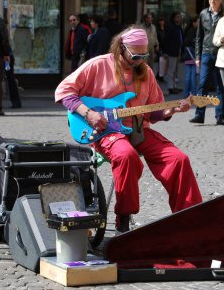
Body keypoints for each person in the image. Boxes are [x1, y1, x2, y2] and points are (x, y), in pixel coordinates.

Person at [55, 26, 203, 233]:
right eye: (135, 56)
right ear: (121, 48)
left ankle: (190, 218)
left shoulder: (146, 73)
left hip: (138, 130)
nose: (139, 61)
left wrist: (172, 110)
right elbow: (64, 92)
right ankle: (123, 218)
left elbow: (153, 112)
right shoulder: (97, 65)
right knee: (126, 156)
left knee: (178, 159)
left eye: (143, 56)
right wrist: (89, 113)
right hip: (105, 131)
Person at [189, 0, 224, 125]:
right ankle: (199, 114)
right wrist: (197, 56)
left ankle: (220, 116)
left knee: (220, 86)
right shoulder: (204, 13)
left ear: (221, 0)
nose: (212, 1)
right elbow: (199, 36)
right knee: (202, 84)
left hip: (221, 54)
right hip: (206, 53)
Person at [162, 11, 184, 94]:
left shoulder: (179, 27)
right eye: (177, 17)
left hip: (178, 51)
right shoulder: (171, 27)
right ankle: (171, 87)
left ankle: (174, 86)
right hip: (171, 51)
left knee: (175, 70)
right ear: (173, 18)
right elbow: (166, 40)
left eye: (180, 17)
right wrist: (165, 51)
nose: (179, 18)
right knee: (171, 70)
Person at [183, 16, 199, 98]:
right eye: (197, 22)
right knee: (193, 77)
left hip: (187, 55)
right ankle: (193, 94)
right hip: (193, 55)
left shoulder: (187, 30)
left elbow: (185, 43)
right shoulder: (195, 31)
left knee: (188, 76)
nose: (199, 23)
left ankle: (186, 94)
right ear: (194, 23)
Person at [156, 16, 167, 82]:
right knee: (161, 61)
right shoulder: (157, 29)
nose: (161, 22)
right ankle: (160, 76)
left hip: (165, 47)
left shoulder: (166, 29)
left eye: (162, 21)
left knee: (164, 62)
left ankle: (160, 75)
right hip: (160, 47)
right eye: (160, 21)